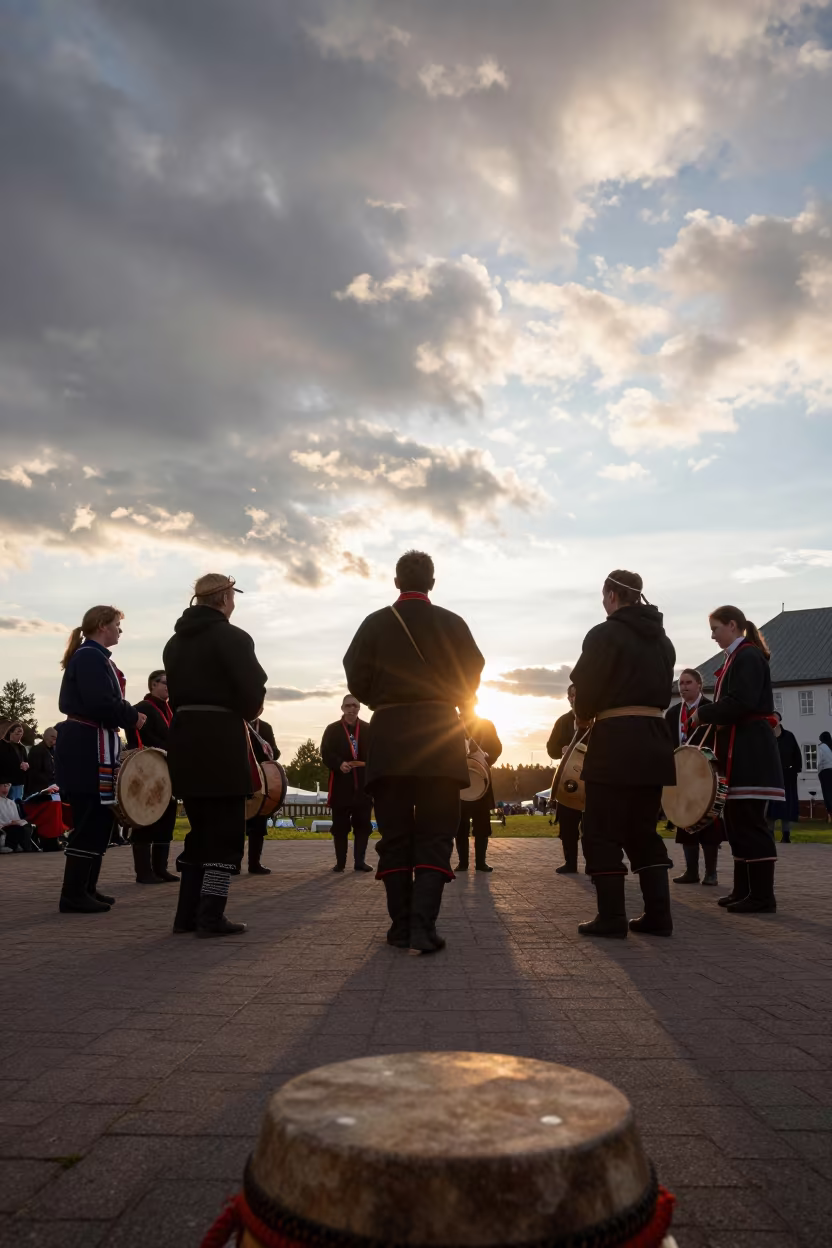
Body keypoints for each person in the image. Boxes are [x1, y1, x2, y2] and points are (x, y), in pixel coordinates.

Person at [343, 550, 484, 954]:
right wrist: (448, 697)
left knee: (394, 834)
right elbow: (471, 675)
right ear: (433, 583)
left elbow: (356, 673)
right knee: (438, 833)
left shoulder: (374, 623)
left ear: (395, 582)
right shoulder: (453, 623)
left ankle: (399, 927)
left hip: (388, 736)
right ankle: (423, 927)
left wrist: (382, 701)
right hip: (439, 734)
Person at [571, 570, 676, 939]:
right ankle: (658, 916)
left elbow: (585, 685)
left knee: (600, 831)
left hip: (615, 741)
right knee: (643, 830)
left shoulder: (604, 634)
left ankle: (612, 917)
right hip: (653, 741)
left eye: (604, 596)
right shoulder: (663, 641)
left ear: (613, 595)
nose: (603, 603)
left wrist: (583, 714)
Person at [163, 573, 267, 937]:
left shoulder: (174, 643)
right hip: (221, 742)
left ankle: (185, 916)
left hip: (186, 740)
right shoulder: (234, 637)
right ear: (224, 598)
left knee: (199, 831)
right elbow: (253, 693)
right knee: (225, 837)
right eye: (232, 597)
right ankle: (210, 916)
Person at [692, 606, 783, 914]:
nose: (713, 635)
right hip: (737, 749)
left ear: (733, 625)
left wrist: (703, 713)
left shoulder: (748, 656)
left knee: (751, 823)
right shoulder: (736, 656)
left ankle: (762, 896)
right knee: (736, 824)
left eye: (716, 628)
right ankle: (744, 890)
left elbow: (741, 702)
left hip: (750, 752)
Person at [54, 606, 145, 913]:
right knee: (90, 819)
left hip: (92, 742)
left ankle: (87, 887)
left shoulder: (92, 657)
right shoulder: (90, 657)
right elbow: (101, 703)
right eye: (118, 624)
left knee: (100, 819)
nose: (120, 630)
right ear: (102, 625)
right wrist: (133, 716)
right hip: (86, 745)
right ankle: (73, 893)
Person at [665, 668, 724, 885]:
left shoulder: (710, 709)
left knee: (708, 824)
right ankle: (691, 871)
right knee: (685, 822)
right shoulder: (672, 714)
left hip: (706, 776)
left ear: (699, 684)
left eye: (688, 682)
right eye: (681, 683)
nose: (683, 687)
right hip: (682, 777)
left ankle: (711, 873)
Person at [125, 670, 179, 884]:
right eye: (166, 682)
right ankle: (144, 872)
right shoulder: (143, 708)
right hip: (148, 770)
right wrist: (169, 749)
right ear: (153, 684)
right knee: (145, 817)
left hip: (167, 771)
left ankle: (160, 868)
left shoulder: (171, 709)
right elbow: (140, 738)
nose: (169, 687)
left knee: (167, 818)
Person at [321, 696, 373, 873]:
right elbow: (325, 753)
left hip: (363, 784)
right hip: (341, 784)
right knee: (340, 826)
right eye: (348, 706)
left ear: (359, 708)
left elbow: (376, 753)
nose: (351, 709)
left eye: (355, 706)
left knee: (363, 825)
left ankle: (360, 861)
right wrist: (338, 763)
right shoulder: (332, 729)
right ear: (342, 707)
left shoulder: (368, 729)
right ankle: (340, 863)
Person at [455, 712, 502, 872]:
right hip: (460, 782)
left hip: (481, 782)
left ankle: (481, 862)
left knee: (482, 826)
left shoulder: (486, 724)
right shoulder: (453, 723)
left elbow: (496, 747)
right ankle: (463, 863)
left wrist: (487, 755)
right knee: (460, 827)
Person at [546, 684, 583, 874]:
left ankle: (595, 863)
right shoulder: (563, 721)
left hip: (592, 779)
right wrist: (560, 749)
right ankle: (570, 863)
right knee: (568, 824)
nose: (575, 698)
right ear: (568, 698)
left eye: (578, 694)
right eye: (572, 695)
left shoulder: (597, 719)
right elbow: (551, 749)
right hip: (568, 781)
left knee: (593, 826)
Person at [246, 716, 280, 875]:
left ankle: (254, 863)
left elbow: (274, 752)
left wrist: (272, 751)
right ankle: (232, 863)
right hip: (239, 777)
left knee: (259, 824)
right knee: (236, 825)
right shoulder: (235, 722)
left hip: (260, 779)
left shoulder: (265, 727)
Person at [767, 713, 802, 843]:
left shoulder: (789, 736)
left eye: (775, 717)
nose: (773, 719)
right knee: (771, 807)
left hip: (787, 776)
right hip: (771, 777)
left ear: (780, 719)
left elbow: (797, 754)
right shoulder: (766, 736)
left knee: (786, 807)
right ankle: (770, 834)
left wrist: (795, 770)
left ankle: (786, 835)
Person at [0, 777, 36, 852]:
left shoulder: (11, 802)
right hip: (3, 826)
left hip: (11, 825)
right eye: (3, 785)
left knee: (26, 826)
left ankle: (25, 846)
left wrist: (18, 822)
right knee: (15, 829)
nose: (6, 788)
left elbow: (16, 818)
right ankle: (10, 845)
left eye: (8, 785)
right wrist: (9, 823)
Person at [0, 721, 29, 802]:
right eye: (17, 733)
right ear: (10, 733)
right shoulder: (2, 745)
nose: (19, 736)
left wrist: (26, 765)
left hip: (18, 782)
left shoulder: (22, 748)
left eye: (21, 734)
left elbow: (26, 761)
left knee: (16, 805)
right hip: (4, 782)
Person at [24, 727, 57, 794]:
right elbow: (34, 772)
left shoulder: (52, 750)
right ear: (45, 736)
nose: (54, 742)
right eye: (52, 738)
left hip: (50, 787)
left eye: (55, 739)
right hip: (38, 789)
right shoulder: (37, 750)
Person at [816, 731, 832, 823]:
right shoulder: (830, 747)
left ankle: (830, 814)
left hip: (825, 772)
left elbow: (818, 761)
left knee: (827, 794)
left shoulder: (821, 747)